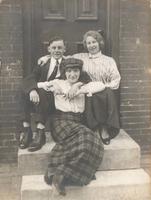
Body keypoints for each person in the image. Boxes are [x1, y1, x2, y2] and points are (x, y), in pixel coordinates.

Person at [38, 30, 121, 145]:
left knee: (103, 93)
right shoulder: (81, 57)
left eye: (94, 42)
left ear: (99, 42)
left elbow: (115, 81)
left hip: (103, 92)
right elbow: (61, 56)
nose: (91, 45)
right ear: (85, 45)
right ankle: (95, 127)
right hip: (85, 90)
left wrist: (100, 88)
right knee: (90, 95)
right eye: (88, 43)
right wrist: (46, 57)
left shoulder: (109, 60)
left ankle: (104, 128)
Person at [38, 57, 104, 196]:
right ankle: (60, 176)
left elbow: (100, 85)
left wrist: (78, 87)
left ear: (80, 72)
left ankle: (58, 176)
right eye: (69, 71)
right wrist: (51, 86)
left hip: (77, 122)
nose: (72, 74)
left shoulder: (84, 85)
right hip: (61, 121)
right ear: (64, 72)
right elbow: (38, 85)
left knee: (93, 143)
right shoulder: (58, 82)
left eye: (75, 71)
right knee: (86, 137)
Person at [19, 36, 66, 151]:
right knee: (24, 88)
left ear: (65, 49)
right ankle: (27, 129)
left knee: (43, 90)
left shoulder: (68, 63)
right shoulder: (43, 63)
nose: (57, 50)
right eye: (54, 48)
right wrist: (32, 90)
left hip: (57, 97)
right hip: (42, 97)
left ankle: (40, 131)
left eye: (60, 47)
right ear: (49, 49)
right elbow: (31, 77)